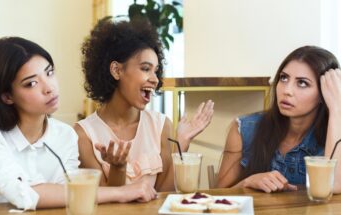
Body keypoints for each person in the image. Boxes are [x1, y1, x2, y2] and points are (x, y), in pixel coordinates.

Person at [0, 37, 157, 210]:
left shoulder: (66, 135)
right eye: (32, 83)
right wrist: (123, 192)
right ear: (7, 96)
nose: (49, 88)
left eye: (49, 73)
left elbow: (67, 193)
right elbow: (24, 194)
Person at [74, 17, 214, 191]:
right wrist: (118, 168)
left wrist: (182, 143)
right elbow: (106, 204)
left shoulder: (161, 126)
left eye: (156, 71)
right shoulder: (83, 135)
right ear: (117, 70)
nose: (155, 80)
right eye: (145, 69)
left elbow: (163, 194)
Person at [217, 46, 341, 193]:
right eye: (284, 78)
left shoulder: (334, 134)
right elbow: (218, 193)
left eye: (302, 83)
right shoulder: (245, 129)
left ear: (324, 93)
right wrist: (248, 182)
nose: (286, 90)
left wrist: (337, 108)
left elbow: (334, 186)